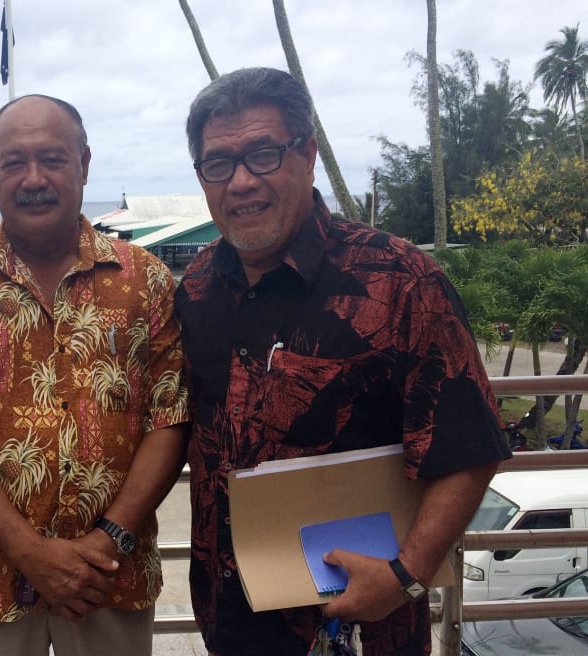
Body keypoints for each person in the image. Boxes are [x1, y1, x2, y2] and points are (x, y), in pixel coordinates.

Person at [174, 67, 511, 656]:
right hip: (230, 620)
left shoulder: (400, 280)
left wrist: (406, 575)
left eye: (263, 155)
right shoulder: (198, 284)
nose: (242, 182)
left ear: (306, 154)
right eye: (219, 164)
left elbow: (470, 448)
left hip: (361, 625)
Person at [0, 94, 189, 656]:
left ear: (84, 163)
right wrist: (28, 551)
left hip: (112, 577)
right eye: (12, 162)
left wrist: (109, 539)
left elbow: (170, 417)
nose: (33, 179)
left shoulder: (145, 281)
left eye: (52, 159)